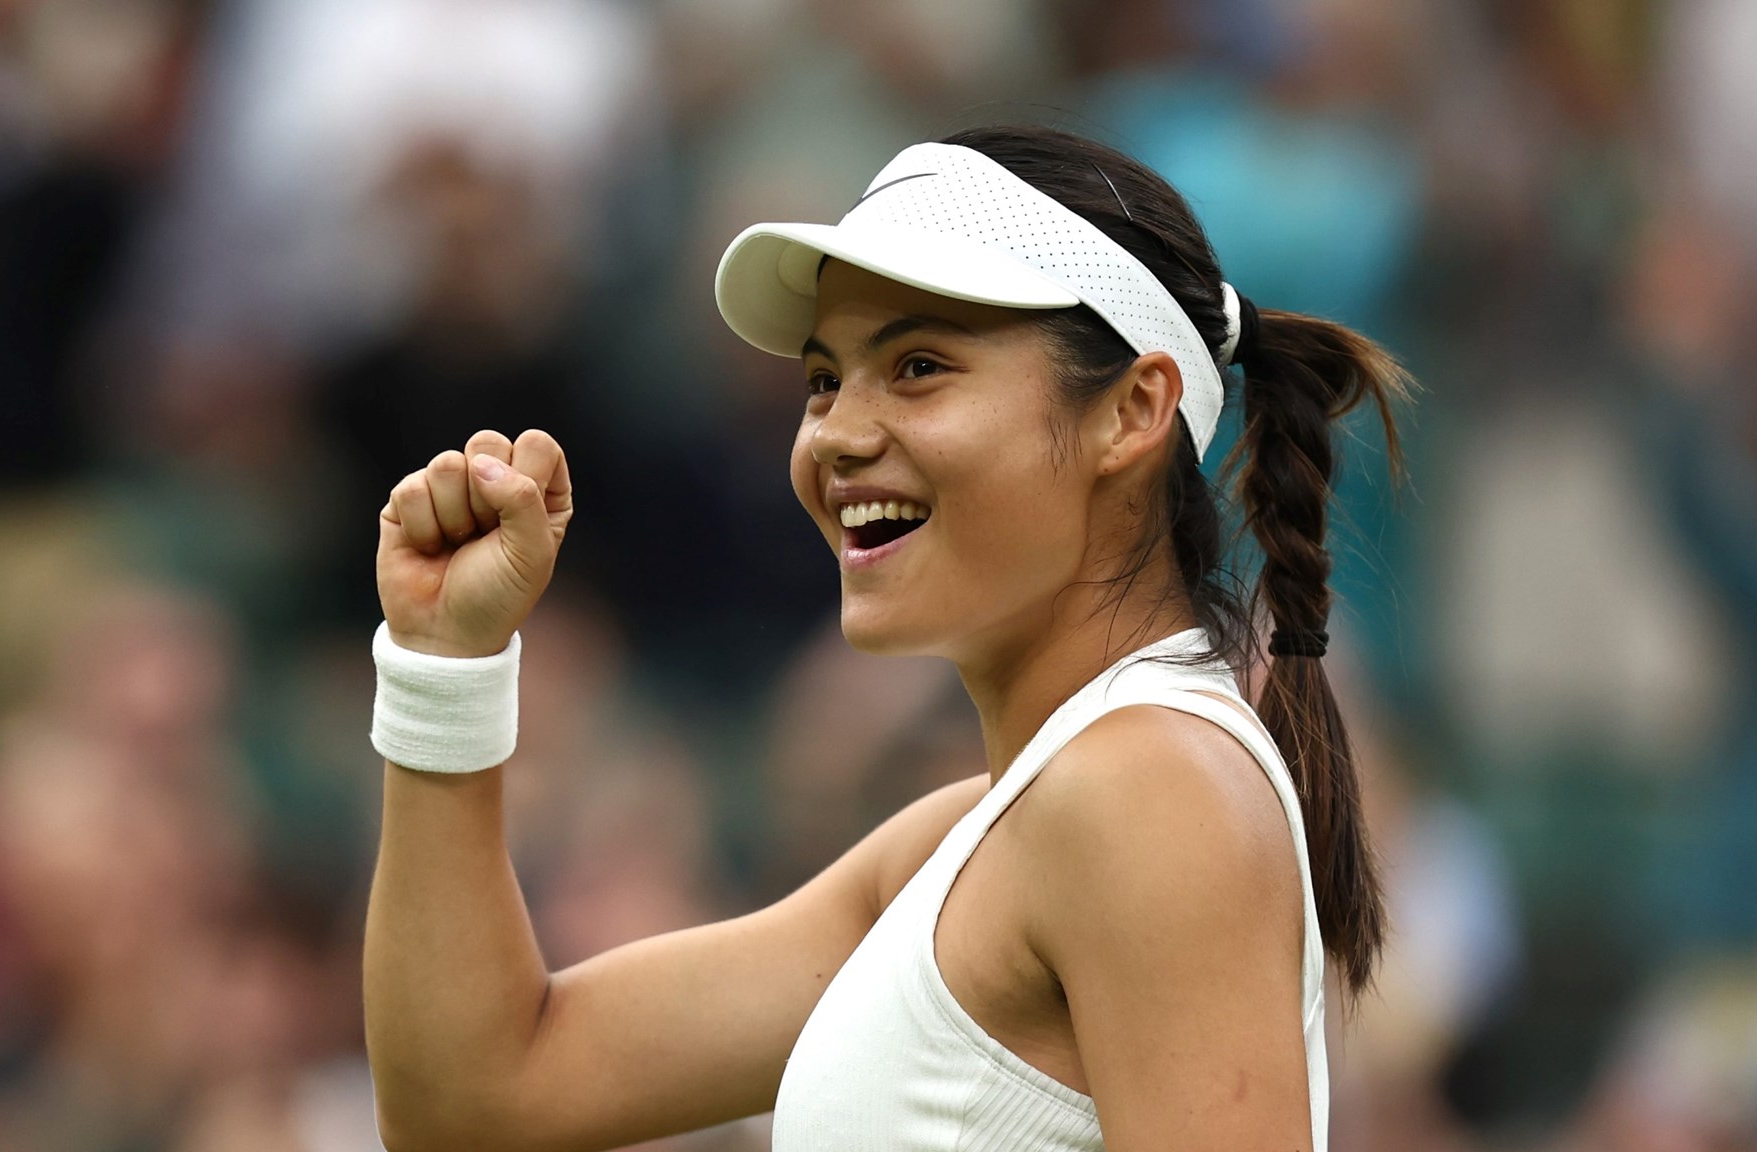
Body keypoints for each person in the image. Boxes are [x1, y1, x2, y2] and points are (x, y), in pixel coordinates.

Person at [361, 124, 1407, 1150]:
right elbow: (480, 1098)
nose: (837, 436)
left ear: (1131, 412)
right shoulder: (980, 833)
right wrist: (442, 664)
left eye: (917, 366)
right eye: (824, 380)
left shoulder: (1143, 788)